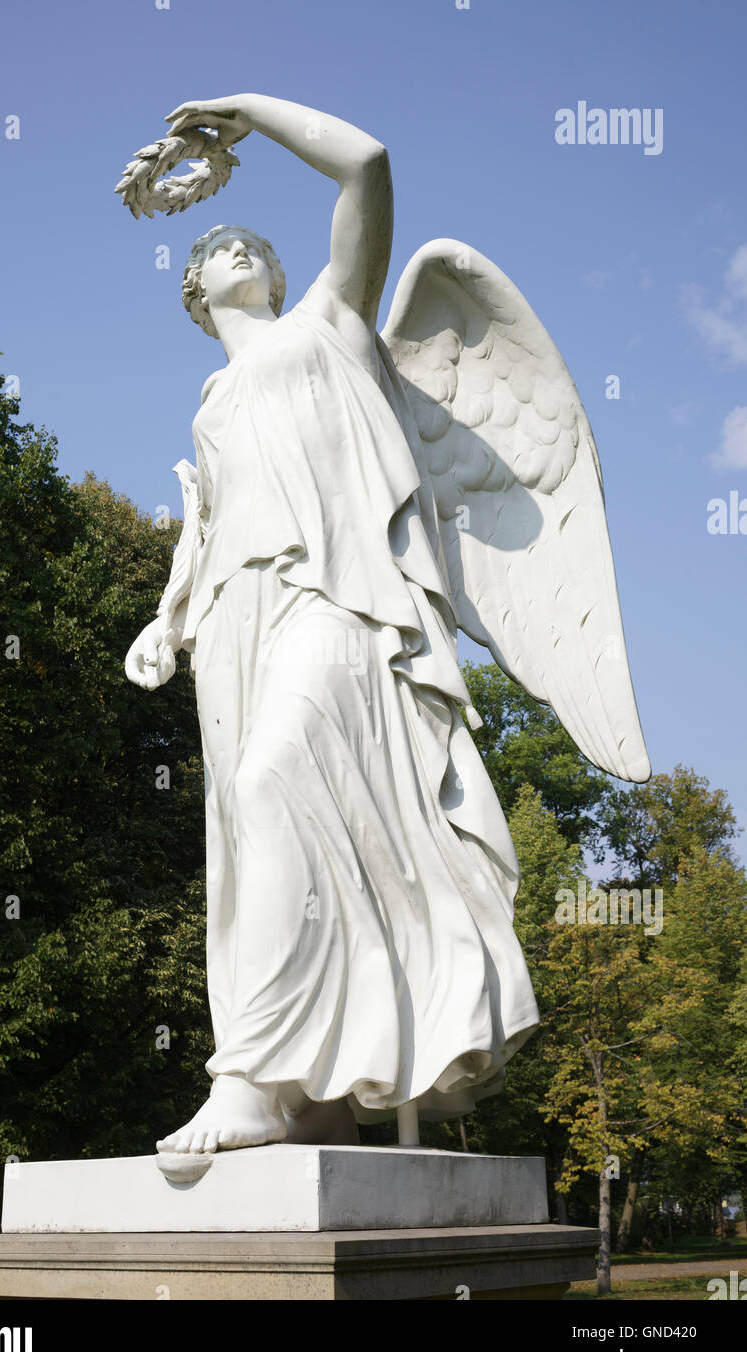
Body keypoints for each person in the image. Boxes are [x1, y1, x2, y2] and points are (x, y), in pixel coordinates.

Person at [125, 94, 539, 1155]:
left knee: (274, 784)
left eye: (246, 239)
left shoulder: (328, 323)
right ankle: (309, 1083)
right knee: (245, 843)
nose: (234, 247)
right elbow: (208, 519)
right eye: (215, 243)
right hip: (230, 615)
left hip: (338, 599)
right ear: (191, 288)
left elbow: (365, 164)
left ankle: (247, 1081)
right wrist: (166, 617)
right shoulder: (212, 401)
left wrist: (245, 113)